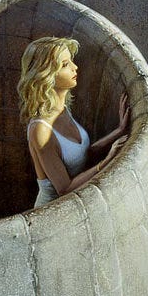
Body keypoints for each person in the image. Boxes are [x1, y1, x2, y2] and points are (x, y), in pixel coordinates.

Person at [19, 36, 129, 209]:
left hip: (74, 202)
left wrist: (119, 130)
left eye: (71, 61)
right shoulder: (40, 130)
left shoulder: (62, 109)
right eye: (64, 65)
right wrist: (107, 160)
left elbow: (81, 154)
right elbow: (64, 188)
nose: (75, 67)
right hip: (53, 211)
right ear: (46, 75)